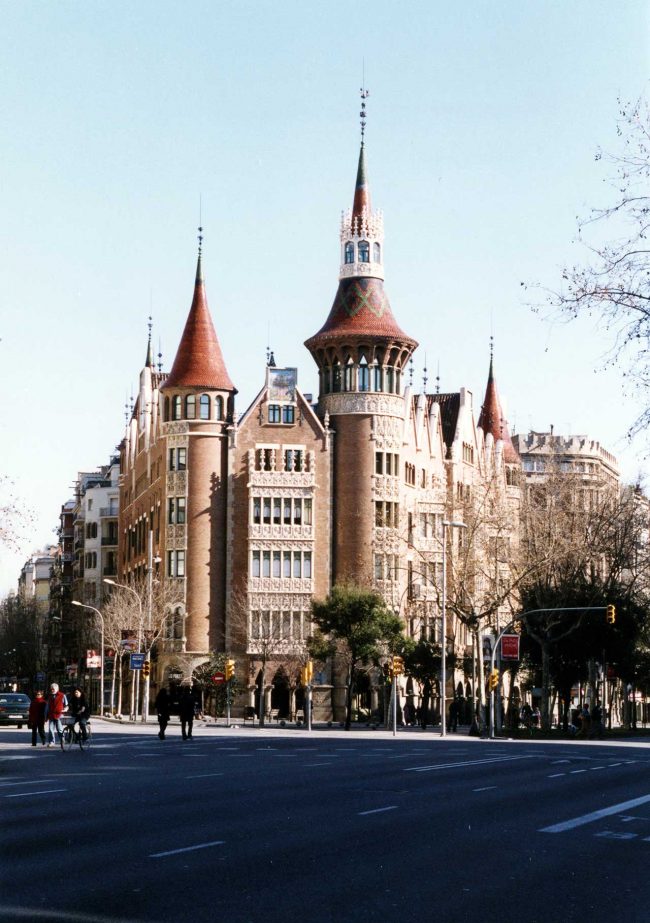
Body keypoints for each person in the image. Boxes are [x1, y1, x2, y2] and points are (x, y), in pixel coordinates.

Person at [44, 683, 68, 747]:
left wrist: (65, 709)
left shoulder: (62, 695)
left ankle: (62, 740)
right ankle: (51, 742)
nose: (52, 690)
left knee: (60, 729)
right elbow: (47, 707)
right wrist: (45, 717)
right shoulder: (49, 696)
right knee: (51, 729)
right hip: (51, 715)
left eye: (53, 689)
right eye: (51, 689)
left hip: (59, 715)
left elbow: (66, 705)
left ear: (57, 689)